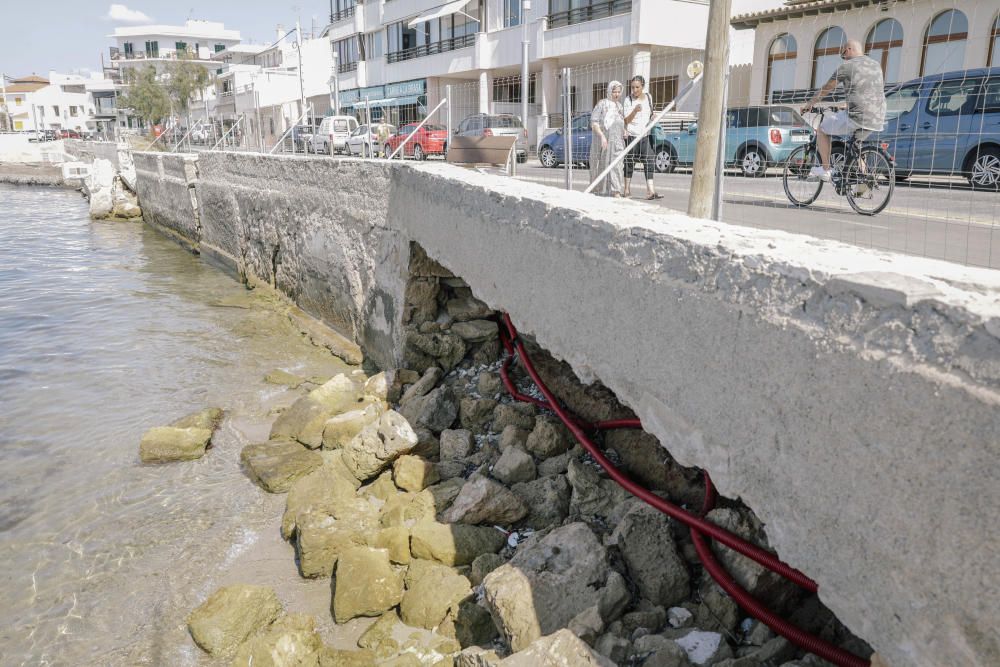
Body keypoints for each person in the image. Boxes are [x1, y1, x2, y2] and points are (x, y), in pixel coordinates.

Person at [802, 39, 886, 181]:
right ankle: (863, 182)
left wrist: (809, 103)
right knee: (856, 147)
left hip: (858, 116)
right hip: (878, 117)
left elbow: (827, 88)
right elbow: (867, 91)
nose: (843, 58)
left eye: (843, 54)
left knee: (822, 129)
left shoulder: (847, 66)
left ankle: (826, 169)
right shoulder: (876, 65)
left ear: (848, 50)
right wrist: (846, 105)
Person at [623, 75, 662, 200]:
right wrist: (634, 111)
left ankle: (650, 191)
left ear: (643, 87)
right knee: (630, 163)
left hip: (646, 135)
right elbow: (626, 120)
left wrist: (652, 118)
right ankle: (627, 190)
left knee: (649, 161)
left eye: (637, 87)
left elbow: (650, 113)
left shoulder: (648, 97)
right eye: (632, 87)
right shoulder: (628, 100)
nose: (634, 90)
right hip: (632, 135)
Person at [590, 81, 626, 197]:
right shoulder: (602, 104)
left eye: (619, 92)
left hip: (617, 142)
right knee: (600, 165)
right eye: (614, 91)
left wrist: (624, 131)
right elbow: (594, 122)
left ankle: (616, 191)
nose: (616, 94)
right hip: (603, 141)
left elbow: (621, 122)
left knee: (617, 165)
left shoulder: (619, 106)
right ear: (609, 91)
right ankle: (598, 190)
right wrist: (601, 136)